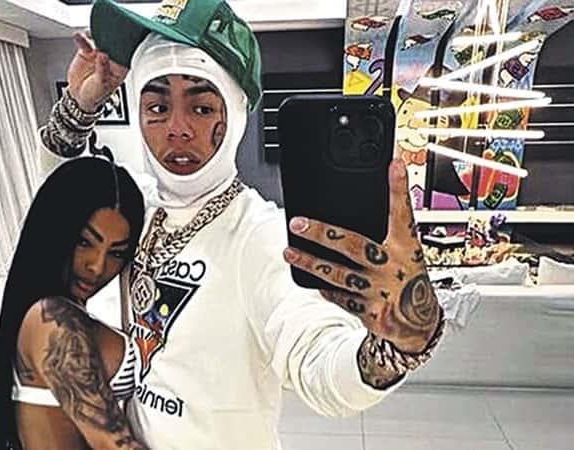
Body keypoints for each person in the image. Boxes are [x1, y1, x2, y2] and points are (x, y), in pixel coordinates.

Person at [40, 0, 447, 448]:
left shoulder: (259, 235)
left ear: (233, 115)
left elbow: (318, 360)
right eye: (156, 107)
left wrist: (399, 344)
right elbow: (54, 215)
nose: (177, 128)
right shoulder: (137, 208)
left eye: (201, 108)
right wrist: (79, 106)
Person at [0, 157, 148, 450]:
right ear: (56, 231)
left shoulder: (47, 311)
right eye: (84, 242)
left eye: (116, 253)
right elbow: (115, 446)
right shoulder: (54, 320)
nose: (97, 267)